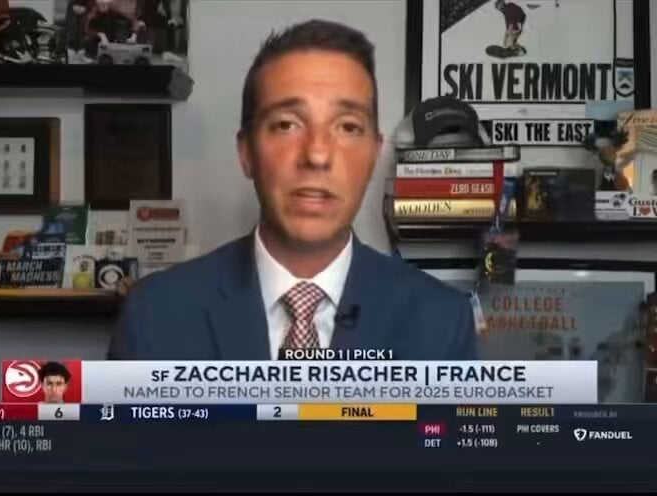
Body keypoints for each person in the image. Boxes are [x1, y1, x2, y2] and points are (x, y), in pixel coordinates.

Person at [108, 20, 479, 360]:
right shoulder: (155, 315)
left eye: (347, 127)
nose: (317, 155)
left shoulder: (442, 322)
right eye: (287, 124)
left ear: (372, 155)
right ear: (247, 153)